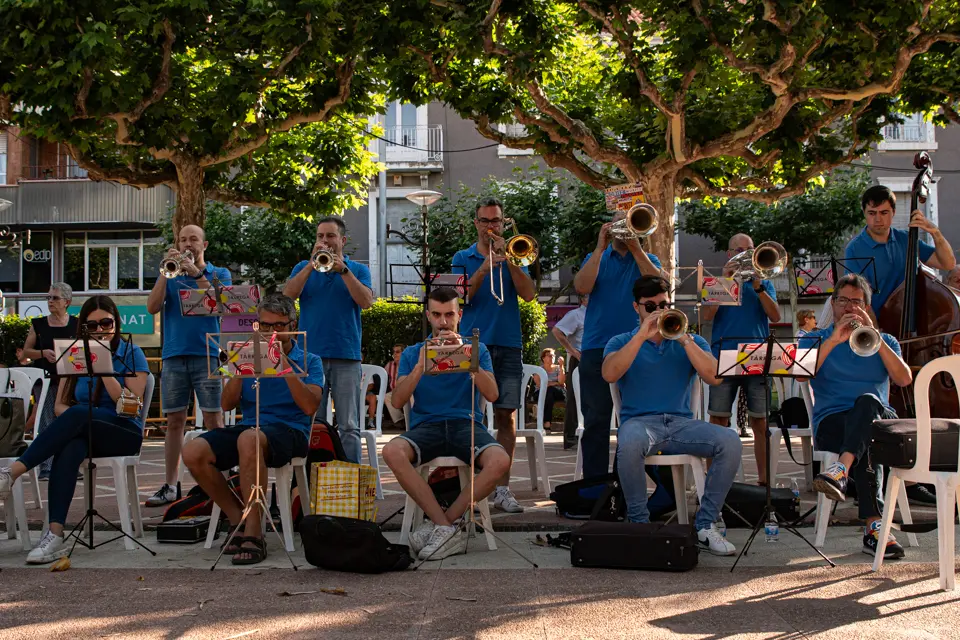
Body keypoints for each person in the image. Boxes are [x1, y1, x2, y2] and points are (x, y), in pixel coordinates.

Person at [0, 295, 150, 564]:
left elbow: (131, 406)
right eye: (92, 326)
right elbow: (60, 406)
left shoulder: (130, 352)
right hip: (87, 429)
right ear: (83, 328)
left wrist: (104, 367)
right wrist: (75, 422)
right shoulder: (76, 354)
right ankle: (54, 535)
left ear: (116, 322)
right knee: (70, 445)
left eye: (107, 322)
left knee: (79, 414)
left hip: (123, 431)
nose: (101, 330)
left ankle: (12, 473)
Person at [602, 276, 741, 555]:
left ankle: (705, 524)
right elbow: (609, 373)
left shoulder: (689, 339)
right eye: (650, 306)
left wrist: (684, 339)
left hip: (680, 424)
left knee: (730, 441)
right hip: (640, 423)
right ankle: (640, 525)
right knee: (627, 444)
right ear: (636, 307)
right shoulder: (622, 340)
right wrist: (642, 334)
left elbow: (715, 377)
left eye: (663, 304)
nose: (658, 311)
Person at [182, 294, 323, 565]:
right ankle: (238, 518)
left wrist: (282, 363)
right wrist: (239, 367)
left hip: (290, 430)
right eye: (265, 326)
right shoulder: (244, 351)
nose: (272, 332)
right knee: (193, 451)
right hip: (250, 426)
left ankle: (255, 533)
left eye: (279, 326)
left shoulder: (309, 360)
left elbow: (309, 407)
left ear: (293, 324)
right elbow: (226, 405)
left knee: (249, 439)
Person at [382, 287, 510, 560]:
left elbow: (493, 395)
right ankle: (446, 527)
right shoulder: (413, 352)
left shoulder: (477, 349)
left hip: (467, 423)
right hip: (427, 425)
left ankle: (443, 524)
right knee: (392, 451)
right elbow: (397, 402)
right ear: (428, 316)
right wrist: (420, 365)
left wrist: (468, 359)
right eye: (437, 315)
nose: (443, 322)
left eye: (449, 315)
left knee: (500, 460)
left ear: (459, 316)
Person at [801, 274, 913, 559]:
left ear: (867, 306)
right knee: (868, 437)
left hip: (878, 417)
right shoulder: (815, 338)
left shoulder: (883, 340)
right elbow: (801, 374)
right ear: (832, 303)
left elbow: (903, 379)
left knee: (867, 405)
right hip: (833, 422)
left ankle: (840, 470)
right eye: (842, 300)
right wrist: (834, 340)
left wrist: (875, 335)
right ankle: (875, 529)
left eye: (856, 301)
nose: (849, 307)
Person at [452, 197, 536, 513]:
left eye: (496, 221)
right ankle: (472, 487)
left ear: (503, 223)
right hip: (473, 344)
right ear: (476, 223)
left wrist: (509, 261)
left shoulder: (515, 253)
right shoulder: (463, 257)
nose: (491, 227)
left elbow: (528, 295)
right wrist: (485, 267)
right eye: (485, 221)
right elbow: (459, 298)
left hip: (509, 343)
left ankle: (502, 488)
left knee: (506, 416)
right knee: (470, 415)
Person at [145, 225, 231, 507]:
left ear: (204, 244)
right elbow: (152, 307)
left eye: (193, 239)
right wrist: (163, 272)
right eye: (183, 239)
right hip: (173, 355)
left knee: (213, 419)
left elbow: (224, 304)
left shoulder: (219, 273)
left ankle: (220, 481)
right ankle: (170, 485)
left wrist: (196, 273)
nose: (187, 244)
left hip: (206, 353)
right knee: (174, 422)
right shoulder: (170, 274)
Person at [574, 211, 663, 479]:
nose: (625, 228)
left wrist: (636, 248)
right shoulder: (596, 258)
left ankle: (626, 486)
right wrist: (600, 248)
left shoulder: (648, 259)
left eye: (631, 222)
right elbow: (581, 286)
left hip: (638, 346)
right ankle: (595, 489)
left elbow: (660, 286)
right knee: (596, 420)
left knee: (638, 420)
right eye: (619, 223)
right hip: (596, 347)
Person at [283, 216, 373, 464]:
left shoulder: (358, 270)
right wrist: (311, 266)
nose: (325, 241)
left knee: (350, 425)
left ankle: (352, 483)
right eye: (320, 236)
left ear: (342, 240)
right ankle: (313, 482)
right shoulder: (304, 267)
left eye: (330, 236)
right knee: (313, 423)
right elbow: (287, 297)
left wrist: (342, 270)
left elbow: (366, 302)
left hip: (346, 355)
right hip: (310, 357)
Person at [701, 233, 781, 484]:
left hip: (757, 355)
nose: (747, 254)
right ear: (729, 254)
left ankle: (764, 482)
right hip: (724, 354)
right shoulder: (716, 281)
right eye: (741, 250)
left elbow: (776, 316)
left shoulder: (764, 282)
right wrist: (725, 280)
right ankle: (715, 480)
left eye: (751, 250)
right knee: (718, 420)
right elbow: (706, 315)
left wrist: (758, 287)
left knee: (761, 422)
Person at [844, 185, 956, 316]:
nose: (878, 219)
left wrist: (935, 232)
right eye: (872, 213)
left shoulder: (907, 239)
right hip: (878, 324)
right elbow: (857, 297)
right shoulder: (854, 249)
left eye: (884, 213)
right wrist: (875, 331)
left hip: (916, 322)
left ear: (894, 212)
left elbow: (948, 264)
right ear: (864, 213)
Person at [21, 283, 79, 480]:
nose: (50, 301)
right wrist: (42, 353)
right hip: (45, 379)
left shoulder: (77, 324)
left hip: (70, 381)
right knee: (46, 421)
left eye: (55, 298)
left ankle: (69, 463)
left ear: (67, 302)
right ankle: (46, 466)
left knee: (69, 422)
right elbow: (26, 352)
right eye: (48, 298)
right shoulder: (38, 324)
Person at [552, 294, 587, 449]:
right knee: (574, 398)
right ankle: (570, 437)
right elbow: (557, 331)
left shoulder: (599, 313)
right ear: (583, 299)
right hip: (580, 357)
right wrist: (572, 351)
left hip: (596, 357)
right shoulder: (576, 315)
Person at [533, 348, 566, 432]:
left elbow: (561, 382)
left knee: (550, 390)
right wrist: (555, 383)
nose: (552, 357)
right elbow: (539, 384)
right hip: (541, 393)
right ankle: (547, 423)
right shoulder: (539, 370)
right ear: (543, 358)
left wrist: (562, 366)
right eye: (549, 356)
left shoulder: (559, 368)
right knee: (549, 394)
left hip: (558, 392)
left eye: (553, 356)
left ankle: (544, 421)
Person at [378, 343, 406, 428]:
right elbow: (382, 377)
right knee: (386, 396)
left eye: (397, 352)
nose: (394, 354)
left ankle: (413, 420)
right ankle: (400, 420)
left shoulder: (409, 363)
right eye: (393, 352)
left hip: (408, 390)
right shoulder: (389, 365)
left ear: (403, 353)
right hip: (395, 391)